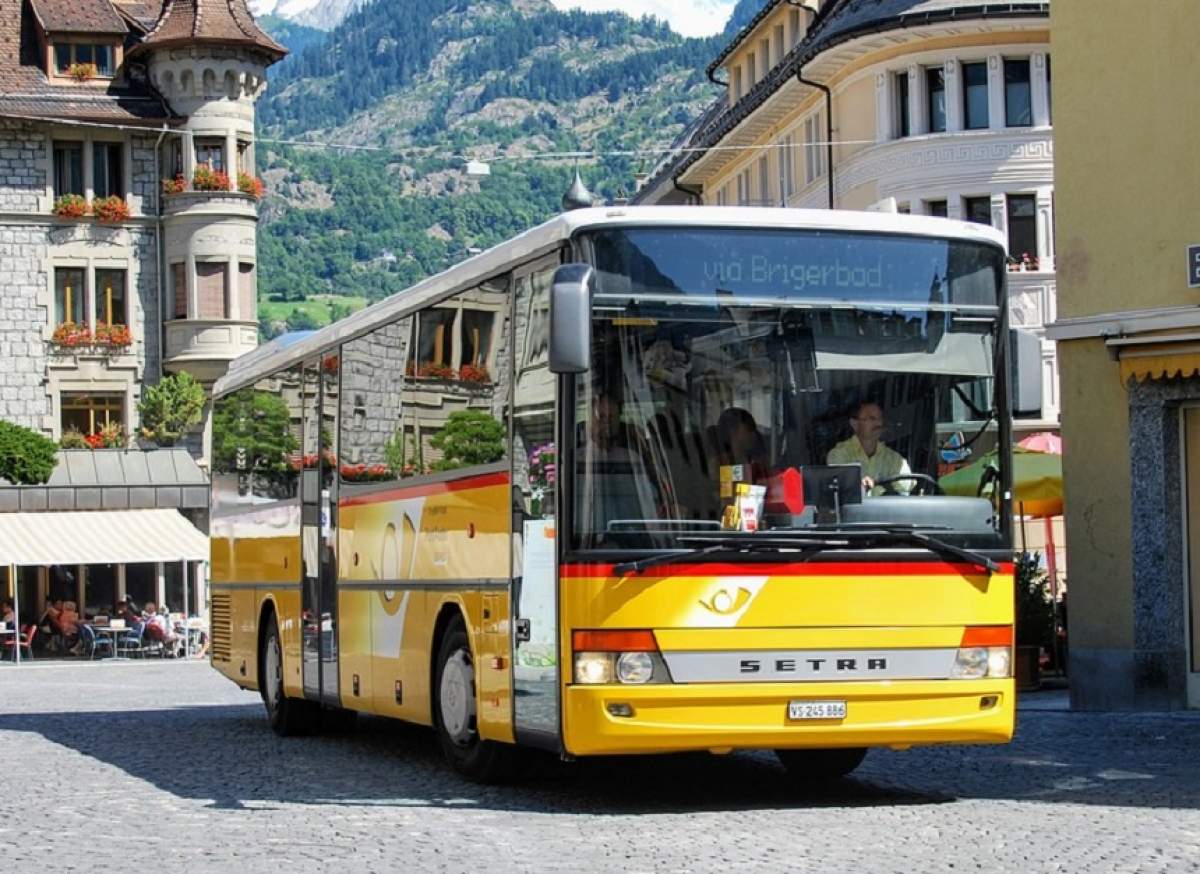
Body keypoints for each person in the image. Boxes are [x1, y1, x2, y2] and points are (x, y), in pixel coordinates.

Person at [826, 401, 912, 495]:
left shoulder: (894, 459)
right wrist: (859, 484)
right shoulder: (839, 455)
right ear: (854, 424)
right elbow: (841, 489)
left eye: (880, 418)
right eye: (872, 418)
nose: (878, 423)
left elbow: (904, 490)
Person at [716, 407, 770, 484]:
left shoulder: (756, 461)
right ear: (732, 431)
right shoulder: (721, 464)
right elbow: (731, 493)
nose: (754, 434)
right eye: (749, 428)